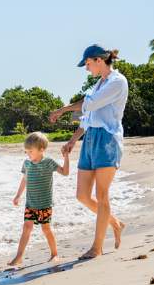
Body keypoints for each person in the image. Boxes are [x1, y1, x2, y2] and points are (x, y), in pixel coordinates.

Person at [49, 44, 128, 259]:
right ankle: (115, 223)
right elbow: (87, 118)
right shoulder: (98, 85)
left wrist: (63, 109)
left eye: (87, 64)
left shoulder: (117, 82)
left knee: (102, 196)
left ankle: (97, 247)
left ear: (99, 60)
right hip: (90, 139)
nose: (86, 69)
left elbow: (89, 105)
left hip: (107, 140)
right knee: (82, 195)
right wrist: (73, 141)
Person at [8, 132, 69, 267]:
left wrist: (66, 157)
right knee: (26, 228)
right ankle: (19, 257)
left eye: (30, 151)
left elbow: (65, 172)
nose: (28, 154)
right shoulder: (27, 164)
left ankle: (54, 254)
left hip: (45, 204)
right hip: (30, 204)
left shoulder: (49, 162)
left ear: (41, 149)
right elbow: (24, 180)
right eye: (26, 151)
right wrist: (18, 195)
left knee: (46, 229)